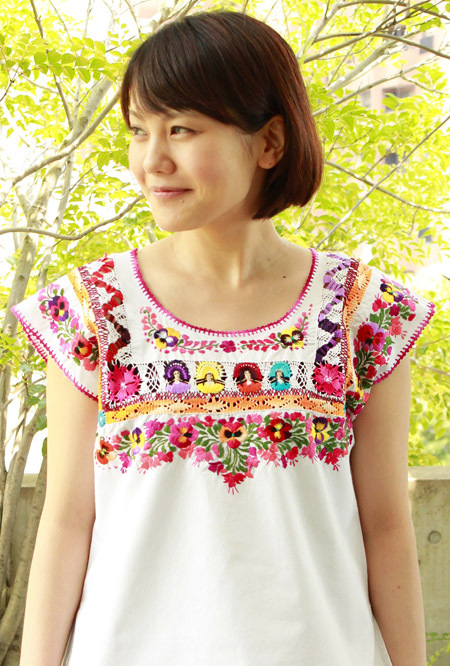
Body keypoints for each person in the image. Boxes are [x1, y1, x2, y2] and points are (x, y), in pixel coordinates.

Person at [12, 10, 434, 666]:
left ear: (270, 143)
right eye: (139, 130)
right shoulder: (96, 311)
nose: (153, 160)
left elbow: (385, 524)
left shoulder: (362, 313)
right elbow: (67, 521)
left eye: (181, 128)